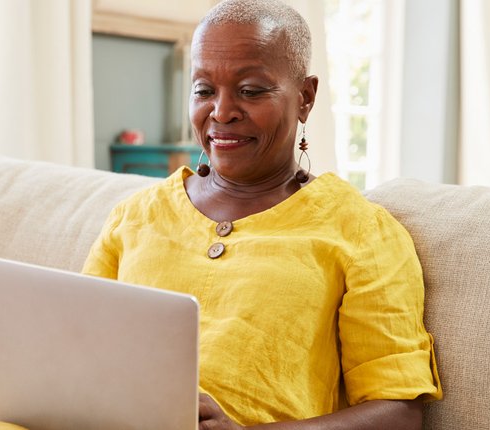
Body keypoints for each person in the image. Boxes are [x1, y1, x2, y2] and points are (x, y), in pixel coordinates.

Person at [81, 0, 442, 428]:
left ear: (305, 97)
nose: (222, 112)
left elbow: (398, 412)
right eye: (203, 90)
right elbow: (75, 344)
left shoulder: (361, 231)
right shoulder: (137, 215)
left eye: (251, 90)